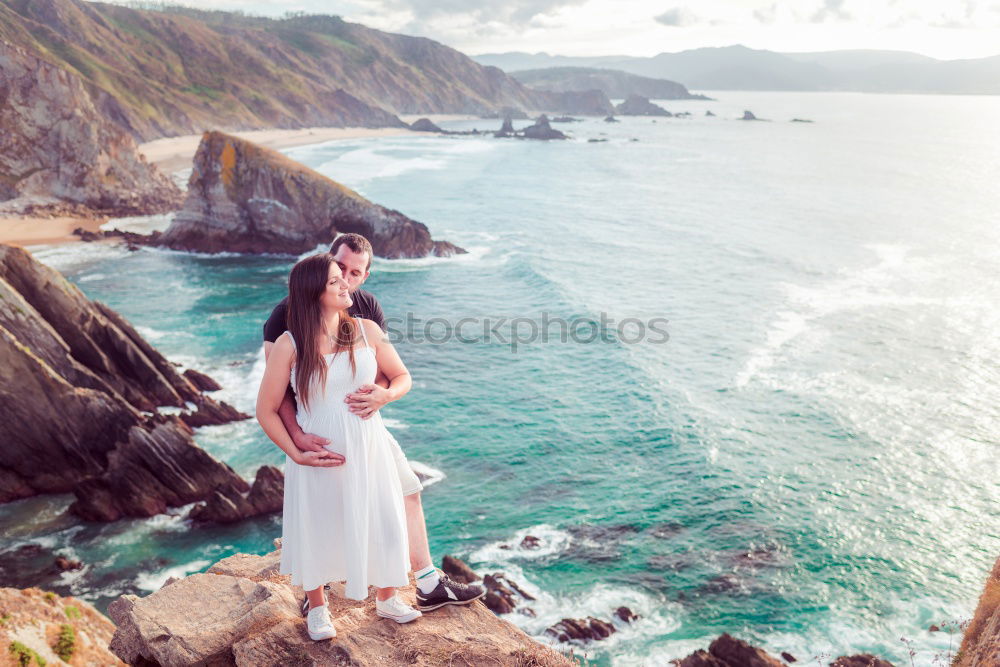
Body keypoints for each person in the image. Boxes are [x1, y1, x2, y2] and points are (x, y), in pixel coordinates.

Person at [261, 235, 483, 619]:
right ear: (325, 270)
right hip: (315, 426)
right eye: (339, 271)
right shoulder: (285, 318)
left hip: (365, 426)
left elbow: (380, 369)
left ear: (365, 275)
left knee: (403, 492)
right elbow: (278, 394)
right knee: (327, 509)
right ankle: (320, 592)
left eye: (354, 273)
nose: (346, 280)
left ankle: (422, 584)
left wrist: (381, 396)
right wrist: (296, 440)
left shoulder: (365, 313)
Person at [258, 252, 420, 639]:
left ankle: (387, 597)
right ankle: (317, 608)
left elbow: (402, 376)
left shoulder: (366, 330)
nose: (346, 284)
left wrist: (384, 395)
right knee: (317, 523)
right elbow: (265, 410)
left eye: (345, 278)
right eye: (335, 281)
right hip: (320, 452)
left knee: (382, 515)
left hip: (370, 444)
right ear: (315, 292)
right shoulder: (289, 343)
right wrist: (296, 451)